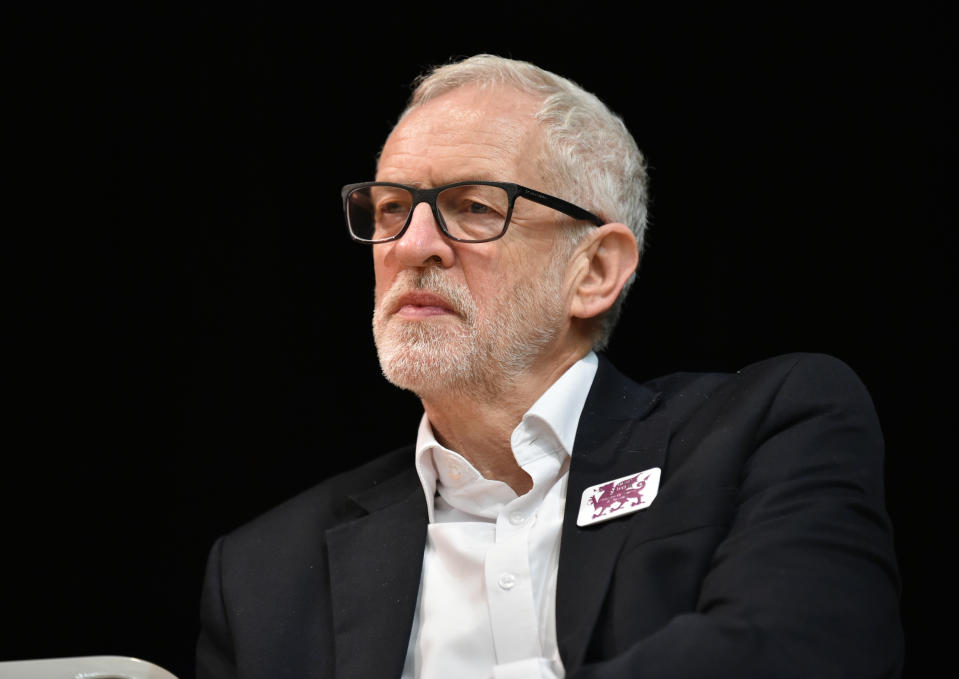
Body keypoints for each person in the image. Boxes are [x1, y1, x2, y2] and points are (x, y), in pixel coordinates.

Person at [196, 54, 903, 678]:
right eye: (388, 208)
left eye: (471, 206)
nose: (411, 246)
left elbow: (794, 653)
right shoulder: (263, 571)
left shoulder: (764, 430)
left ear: (594, 269)